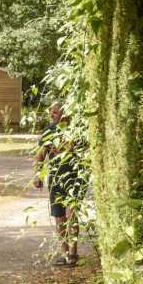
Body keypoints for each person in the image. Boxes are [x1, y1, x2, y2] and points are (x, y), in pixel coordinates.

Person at [34, 102, 83, 266]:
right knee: (59, 217)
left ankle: (73, 252)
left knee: (71, 214)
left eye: (55, 113)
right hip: (55, 180)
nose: (52, 115)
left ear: (65, 114)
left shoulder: (76, 131)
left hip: (74, 179)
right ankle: (65, 253)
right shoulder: (48, 132)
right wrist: (38, 175)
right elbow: (40, 156)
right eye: (51, 113)